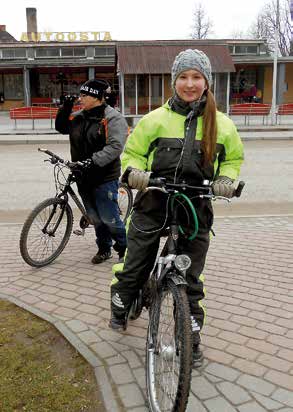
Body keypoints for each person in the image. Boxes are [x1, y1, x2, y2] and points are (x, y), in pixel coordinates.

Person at [109, 49, 244, 366]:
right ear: (174, 81)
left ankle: (190, 337)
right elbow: (133, 154)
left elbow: (233, 160)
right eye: (183, 77)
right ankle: (122, 301)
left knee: (191, 281)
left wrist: (226, 179)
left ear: (207, 82)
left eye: (197, 77)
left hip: (195, 210)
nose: (190, 83)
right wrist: (134, 173)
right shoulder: (154, 120)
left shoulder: (222, 125)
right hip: (153, 203)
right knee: (135, 266)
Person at [55, 79, 128, 264]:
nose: (81, 98)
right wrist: (66, 107)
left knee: (110, 218)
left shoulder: (112, 118)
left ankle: (124, 250)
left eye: (84, 95)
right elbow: (62, 127)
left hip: (104, 177)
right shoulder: (80, 116)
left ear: (97, 97)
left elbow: (115, 146)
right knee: (95, 218)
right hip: (83, 176)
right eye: (80, 95)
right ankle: (104, 249)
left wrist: (92, 161)